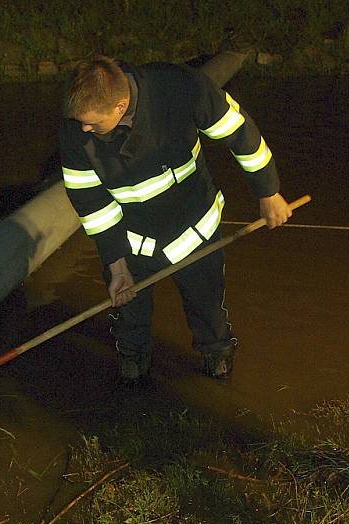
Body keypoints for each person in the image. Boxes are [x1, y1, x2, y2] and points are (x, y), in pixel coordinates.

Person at [59, 56, 291, 384]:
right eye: (81, 122)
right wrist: (117, 265)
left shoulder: (179, 86)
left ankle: (217, 352)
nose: (84, 129)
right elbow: (91, 203)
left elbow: (238, 132)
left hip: (194, 225)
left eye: (93, 124)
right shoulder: (75, 132)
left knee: (206, 300)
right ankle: (133, 356)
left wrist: (268, 191)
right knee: (127, 306)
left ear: (120, 106)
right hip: (132, 239)